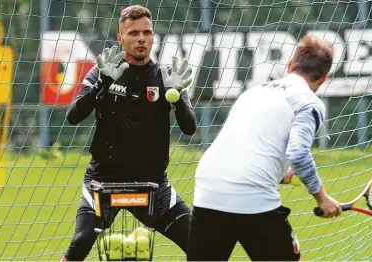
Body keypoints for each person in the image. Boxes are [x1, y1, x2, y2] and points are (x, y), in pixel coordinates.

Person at [187, 33, 342, 261]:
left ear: (290, 65)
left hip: (207, 189)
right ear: (324, 78)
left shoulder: (253, 92)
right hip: (251, 194)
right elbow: (298, 154)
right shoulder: (308, 102)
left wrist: (281, 173)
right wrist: (322, 198)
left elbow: (246, 147)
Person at [62, 5, 197, 261]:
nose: (141, 38)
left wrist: (178, 98)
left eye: (147, 32)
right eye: (133, 33)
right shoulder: (102, 73)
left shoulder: (168, 77)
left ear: (153, 36)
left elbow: (189, 128)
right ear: (120, 38)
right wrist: (102, 84)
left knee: (200, 246)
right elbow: (72, 116)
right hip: (103, 182)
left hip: (153, 185)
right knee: (80, 242)